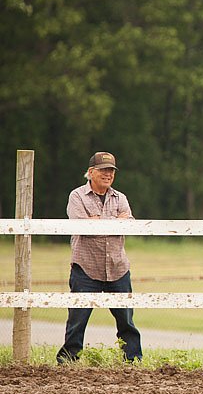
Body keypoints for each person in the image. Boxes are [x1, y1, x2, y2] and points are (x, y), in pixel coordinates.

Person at [56, 152, 143, 363]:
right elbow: (83, 227)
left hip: (117, 266)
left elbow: (129, 223)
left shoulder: (120, 197)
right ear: (91, 172)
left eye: (111, 170)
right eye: (103, 170)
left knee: (126, 319)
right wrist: (113, 220)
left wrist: (98, 220)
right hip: (86, 267)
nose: (108, 174)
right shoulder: (77, 196)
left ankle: (132, 359)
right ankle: (68, 359)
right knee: (78, 318)